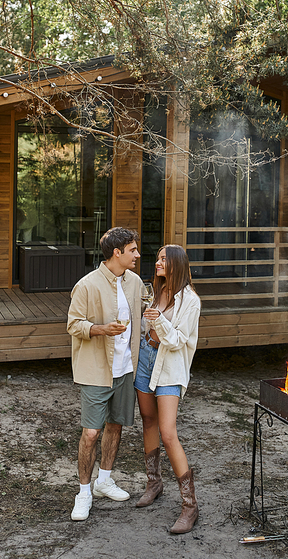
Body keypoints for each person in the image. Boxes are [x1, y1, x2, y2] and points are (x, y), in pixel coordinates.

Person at [66, 226, 142, 522]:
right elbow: (73, 325)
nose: (137, 254)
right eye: (132, 250)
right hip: (96, 371)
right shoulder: (86, 285)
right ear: (117, 252)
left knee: (116, 425)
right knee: (91, 433)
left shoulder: (135, 283)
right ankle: (83, 493)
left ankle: (104, 481)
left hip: (126, 369)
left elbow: (141, 317)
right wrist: (101, 329)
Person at [134, 244, 201, 534]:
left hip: (170, 367)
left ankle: (189, 506)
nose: (158, 262)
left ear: (176, 264)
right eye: (158, 258)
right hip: (145, 360)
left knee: (168, 432)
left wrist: (157, 320)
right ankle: (154, 483)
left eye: (163, 259)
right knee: (148, 422)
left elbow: (177, 340)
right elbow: (143, 327)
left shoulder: (191, 301)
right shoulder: (155, 291)